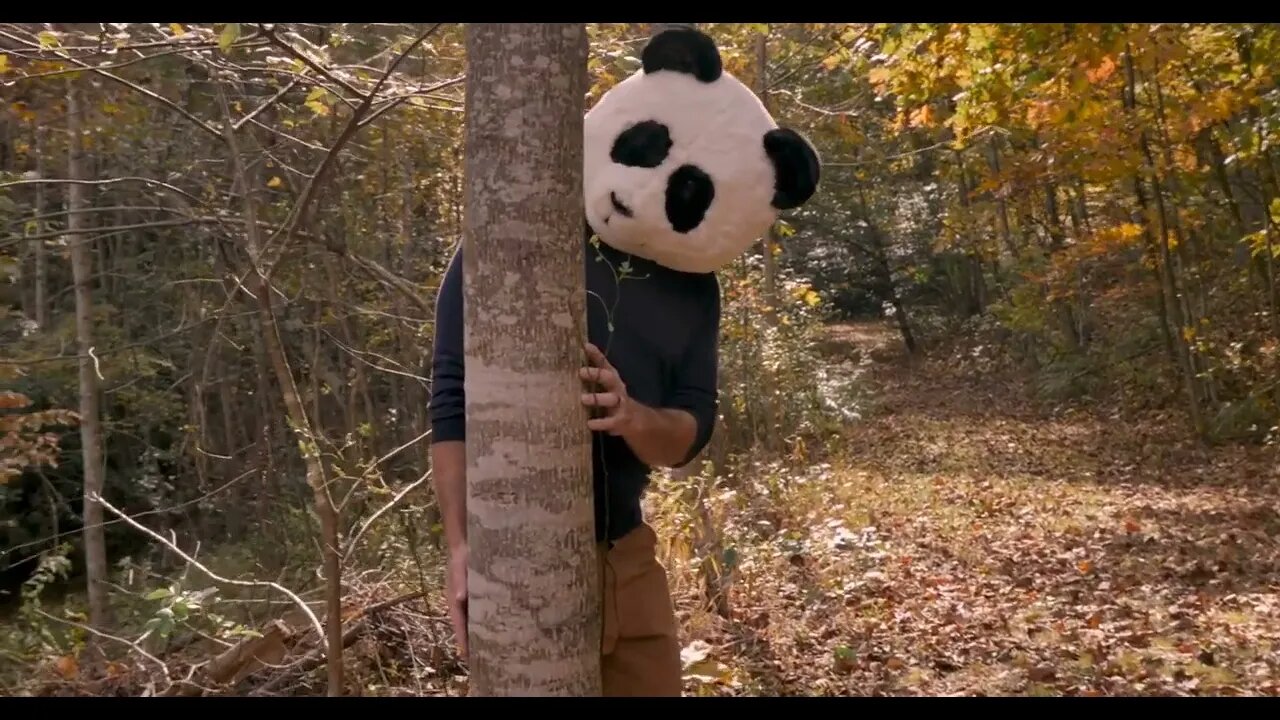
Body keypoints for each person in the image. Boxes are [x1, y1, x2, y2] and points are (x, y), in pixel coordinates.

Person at [428, 228, 720, 697]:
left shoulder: (695, 275)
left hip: (624, 563)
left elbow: (691, 428)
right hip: (510, 567)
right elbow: (449, 396)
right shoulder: (500, 235)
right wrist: (460, 546)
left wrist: (631, 416)